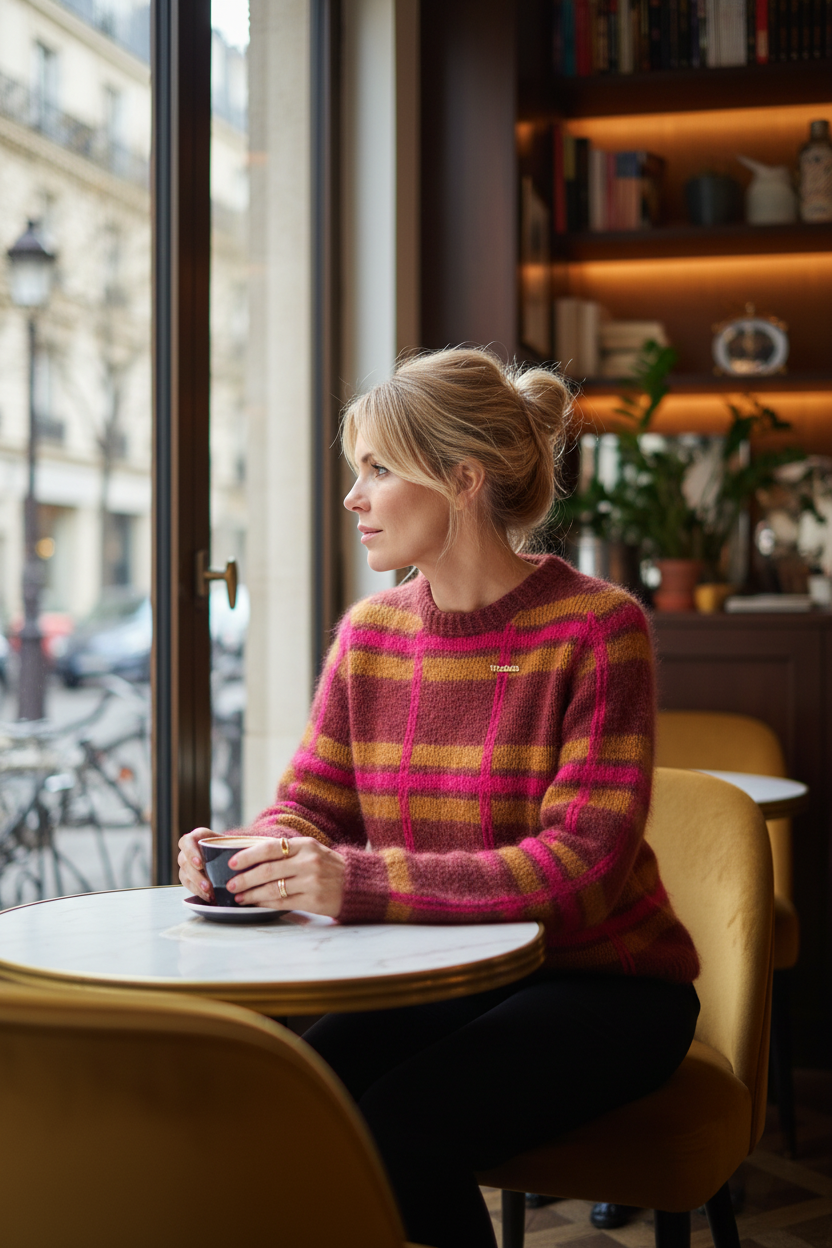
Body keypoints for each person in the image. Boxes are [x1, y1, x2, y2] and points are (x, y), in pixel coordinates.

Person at [178, 347, 700, 1248]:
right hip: (439, 976)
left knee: (399, 1127)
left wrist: (357, 883)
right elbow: (315, 806)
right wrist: (257, 851)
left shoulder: (599, 629)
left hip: (605, 984)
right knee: (296, 1092)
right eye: (357, 471)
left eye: (379, 470)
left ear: (463, 478)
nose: (354, 498)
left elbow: (579, 872)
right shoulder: (370, 633)